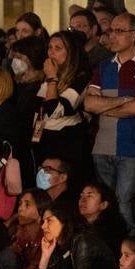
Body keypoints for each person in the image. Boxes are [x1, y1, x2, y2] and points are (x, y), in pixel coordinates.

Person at [84, 12, 135, 234]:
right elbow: (88, 104)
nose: (112, 36)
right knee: (106, 207)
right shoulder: (104, 66)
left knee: (126, 205)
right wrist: (122, 101)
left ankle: (131, 254)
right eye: (110, 31)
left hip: (132, 147)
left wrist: (105, 107)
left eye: (119, 31)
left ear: (134, 34)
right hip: (102, 146)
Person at [33, 30, 90, 168]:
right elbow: (39, 109)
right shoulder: (45, 76)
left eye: (57, 48)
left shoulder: (80, 77)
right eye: (50, 48)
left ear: (70, 53)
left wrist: (52, 78)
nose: (51, 53)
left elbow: (55, 110)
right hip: (43, 138)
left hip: (65, 141)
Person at [78, 181, 126, 251]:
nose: (82, 200)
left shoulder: (107, 234)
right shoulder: (79, 226)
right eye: (81, 196)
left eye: (89, 196)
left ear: (103, 205)